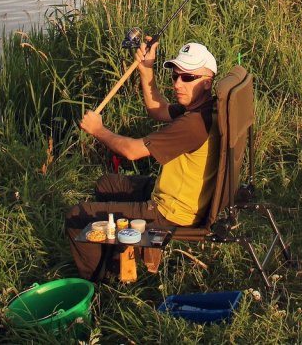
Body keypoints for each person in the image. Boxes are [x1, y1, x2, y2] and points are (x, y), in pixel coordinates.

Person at [65, 39, 220, 280]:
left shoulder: (194, 125)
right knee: (106, 184)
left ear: (207, 82)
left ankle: (100, 283)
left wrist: (99, 130)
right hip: (172, 193)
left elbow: (132, 151)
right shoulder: (202, 106)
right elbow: (158, 109)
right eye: (175, 76)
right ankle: (117, 254)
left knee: (77, 217)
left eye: (188, 77)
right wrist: (146, 68)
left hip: (169, 212)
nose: (178, 83)